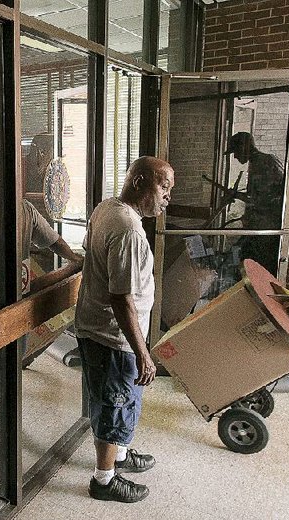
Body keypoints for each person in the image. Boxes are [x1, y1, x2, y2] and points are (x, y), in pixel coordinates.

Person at [0, 158, 83, 461]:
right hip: (17, 308)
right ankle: (8, 428)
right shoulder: (22, 208)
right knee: (10, 369)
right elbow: (54, 241)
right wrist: (75, 261)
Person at [75, 156, 174, 503]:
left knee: (118, 401)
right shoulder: (128, 229)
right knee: (114, 405)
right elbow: (122, 300)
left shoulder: (107, 208)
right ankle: (104, 480)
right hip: (112, 338)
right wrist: (143, 353)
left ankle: (118, 456)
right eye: (163, 187)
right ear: (139, 182)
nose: (167, 197)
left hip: (101, 331)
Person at [225, 132, 284, 275]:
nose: (236, 156)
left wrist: (237, 195)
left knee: (253, 269)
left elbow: (261, 201)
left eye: (236, 152)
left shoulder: (261, 164)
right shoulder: (260, 162)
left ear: (245, 147)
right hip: (262, 228)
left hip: (266, 231)